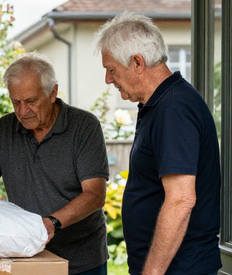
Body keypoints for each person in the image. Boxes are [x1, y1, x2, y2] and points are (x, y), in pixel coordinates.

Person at [0, 52, 110, 275]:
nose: (22, 111)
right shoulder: (4, 130)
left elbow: (95, 194)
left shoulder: (84, 126)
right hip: (28, 257)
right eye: (15, 102)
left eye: (31, 101)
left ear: (53, 92)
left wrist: (51, 223)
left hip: (81, 261)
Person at [93, 12, 222, 275]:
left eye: (112, 69)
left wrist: (151, 273)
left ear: (137, 62)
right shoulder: (159, 104)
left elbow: (181, 200)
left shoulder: (173, 109)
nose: (108, 79)